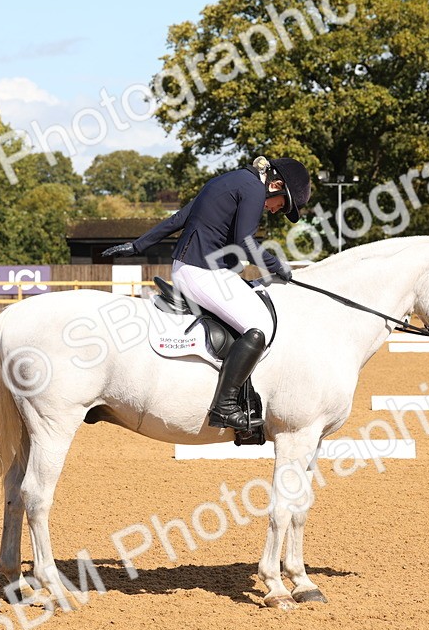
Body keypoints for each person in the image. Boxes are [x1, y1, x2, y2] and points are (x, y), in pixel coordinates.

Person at [101, 156, 311, 431]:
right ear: (277, 185)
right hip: (201, 272)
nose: (275, 210)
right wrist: (276, 265)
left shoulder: (229, 180)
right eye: (281, 204)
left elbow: (179, 218)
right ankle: (224, 407)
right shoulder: (253, 188)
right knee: (258, 328)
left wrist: (138, 245)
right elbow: (245, 243)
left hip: (195, 268)